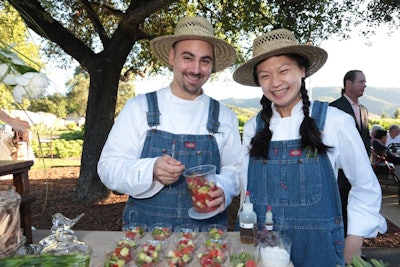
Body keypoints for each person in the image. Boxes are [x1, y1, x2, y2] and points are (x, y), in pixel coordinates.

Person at [233, 29, 386, 266]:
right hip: (262, 248)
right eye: (265, 76)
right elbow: (247, 190)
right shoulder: (254, 126)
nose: (275, 82)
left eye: (284, 70)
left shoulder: (335, 121)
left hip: (319, 249)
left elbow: (365, 185)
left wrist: (353, 241)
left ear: (302, 71)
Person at [97, 16, 241, 229]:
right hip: (146, 235)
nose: (196, 69)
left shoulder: (225, 116)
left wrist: (223, 188)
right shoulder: (139, 108)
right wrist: (151, 169)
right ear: (172, 57)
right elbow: (107, 168)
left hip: (208, 237)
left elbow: (235, 170)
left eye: (205, 61)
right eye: (188, 58)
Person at [329, 70, 371, 236]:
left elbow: (366, 139)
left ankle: (352, 248)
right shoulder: (334, 108)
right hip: (339, 176)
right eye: (361, 81)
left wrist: (365, 165)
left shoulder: (364, 110)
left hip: (358, 174)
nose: (364, 85)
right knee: (339, 212)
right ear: (348, 83)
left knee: (355, 212)